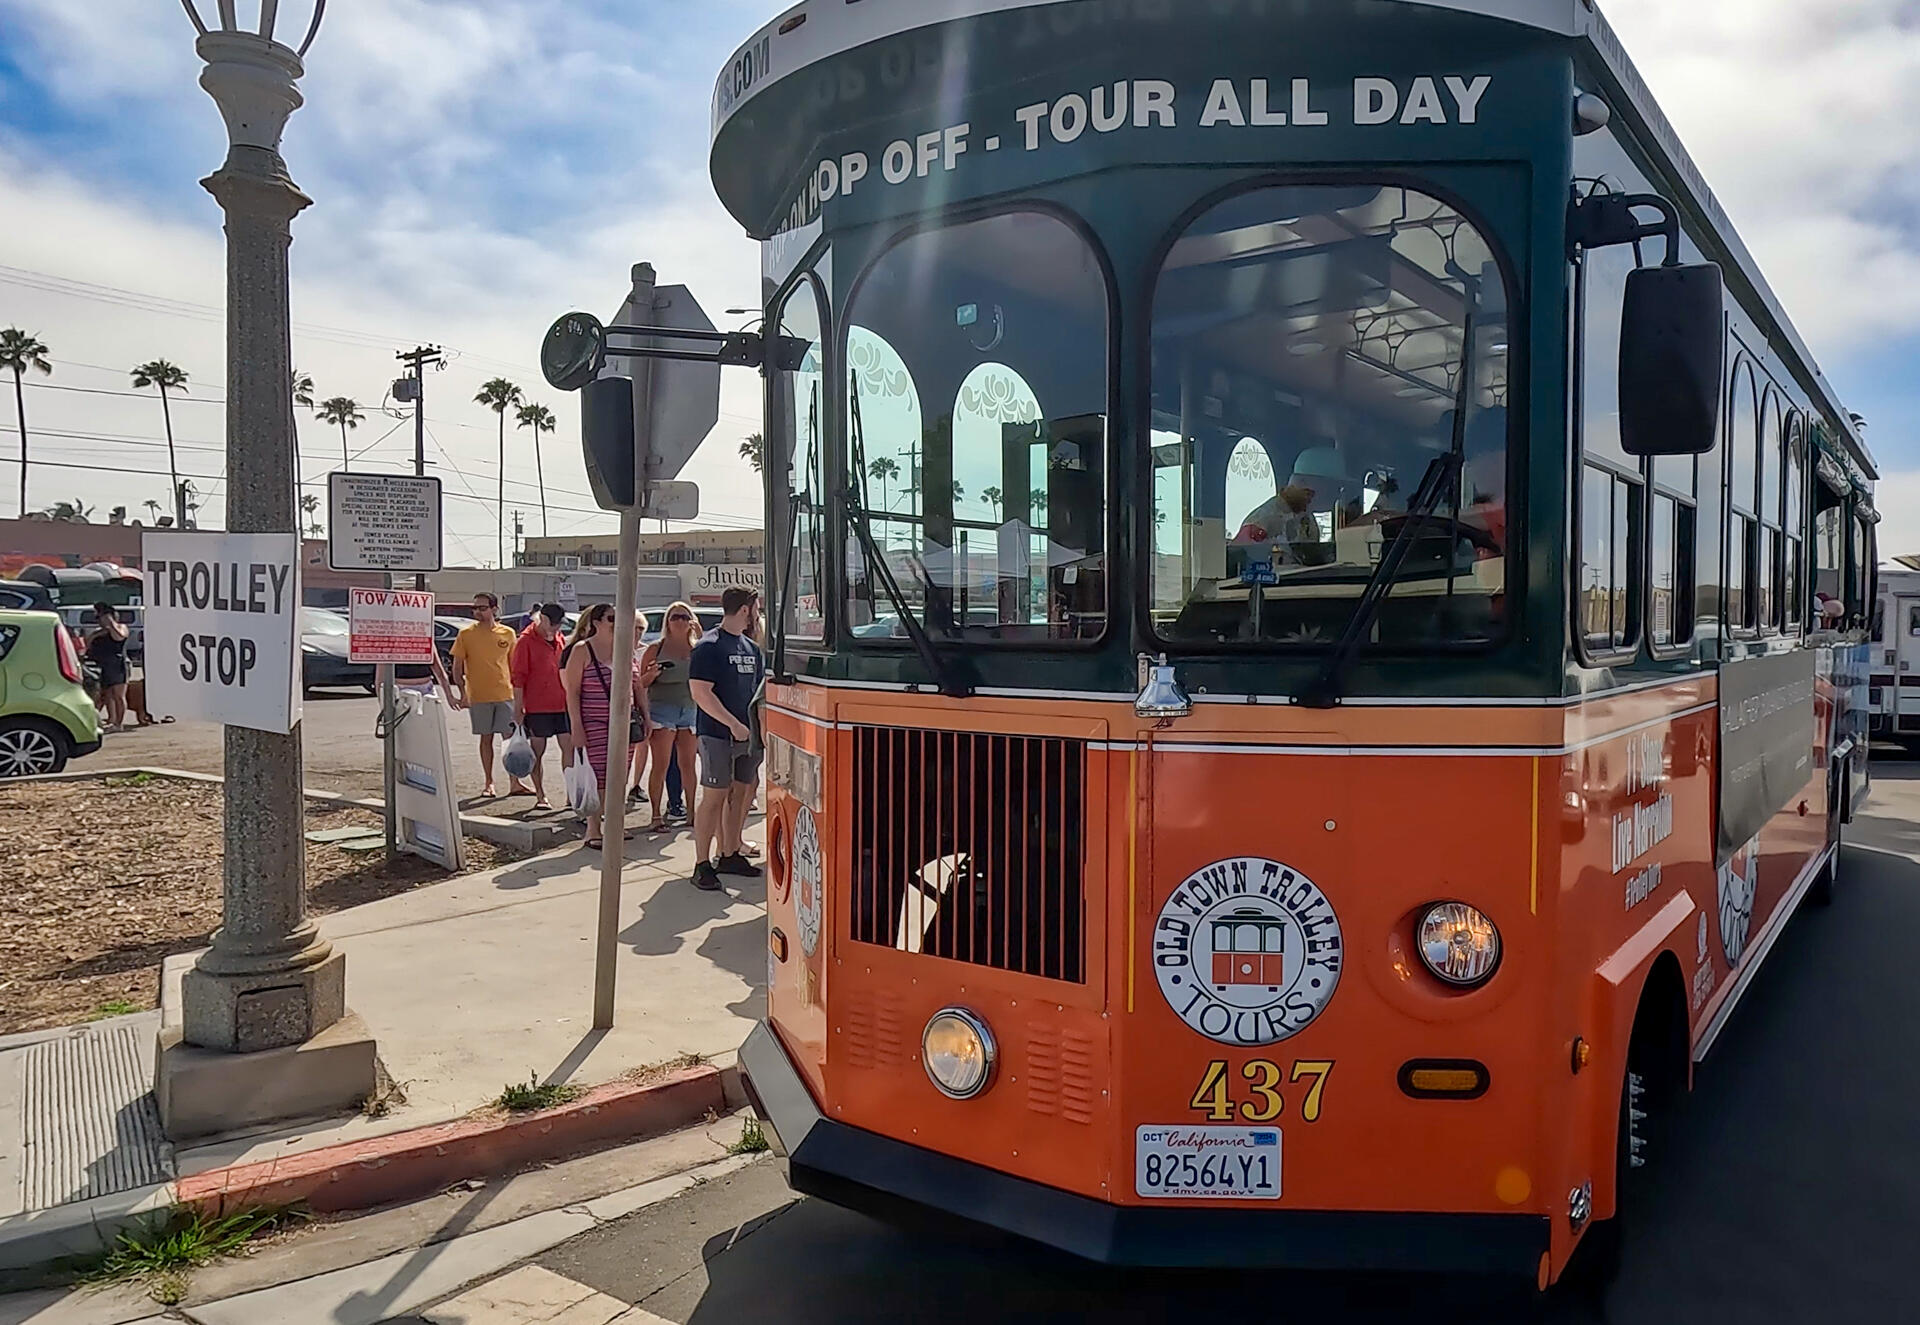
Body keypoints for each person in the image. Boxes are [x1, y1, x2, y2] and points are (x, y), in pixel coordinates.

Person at [688, 586, 766, 891]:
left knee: (741, 795)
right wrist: (733, 724)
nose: (758, 613)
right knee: (714, 797)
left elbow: (759, 694)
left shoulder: (751, 648)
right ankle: (702, 863)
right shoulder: (709, 646)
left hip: (748, 737)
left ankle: (730, 852)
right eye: (756, 607)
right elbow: (700, 693)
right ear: (746, 609)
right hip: (717, 735)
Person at [450, 592, 526, 799]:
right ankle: (489, 782)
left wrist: (521, 696)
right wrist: (461, 693)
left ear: (494, 609)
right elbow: (457, 668)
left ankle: (514, 781)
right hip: (479, 695)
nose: (477, 612)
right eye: (474, 608)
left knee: (509, 738)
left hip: (505, 693)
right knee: (486, 739)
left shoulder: (508, 633)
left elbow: (515, 666)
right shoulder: (466, 634)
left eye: (482, 608)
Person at [562, 604, 626, 849]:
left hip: (624, 725)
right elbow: (572, 691)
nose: (615, 623)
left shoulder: (624, 647)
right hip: (593, 723)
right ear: (596, 622)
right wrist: (577, 727)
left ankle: (614, 826)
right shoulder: (582, 649)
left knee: (618, 777)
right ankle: (593, 829)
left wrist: (645, 714)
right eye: (611, 618)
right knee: (597, 776)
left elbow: (636, 685)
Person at [641, 600, 703, 834]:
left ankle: (691, 813)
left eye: (685, 617)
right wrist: (652, 674)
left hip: (690, 709)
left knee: (688, 765)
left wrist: (702, 636)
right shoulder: (656, 648)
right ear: (667, 621)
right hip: (662, 708)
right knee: (661, 764)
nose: (680, 621)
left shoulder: (697, 648)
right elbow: (640, 684)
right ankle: (656, 815)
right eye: (675, 616)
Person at [510, 603, 570, 811]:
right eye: (551, 624)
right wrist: (518, 708)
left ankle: (571, 794)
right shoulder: (525, 641)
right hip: (537, 706)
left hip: (562, 704)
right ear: (541, 619)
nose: (554, 628)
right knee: (537, 751)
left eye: (558, 624)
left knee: (569, 748)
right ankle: (540, 794)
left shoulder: (560, 638)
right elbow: (518, 678)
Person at [86, 604, 130, 731]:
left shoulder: (121, 627)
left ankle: (118, 723)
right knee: (106, 695)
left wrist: (111, 624)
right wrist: (97, 634)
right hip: (102, 665)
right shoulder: (98, 632)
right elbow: (88, 643)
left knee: (118, 695)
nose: (100, 620)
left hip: (117, 665)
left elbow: (119, 637)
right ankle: (111, 719)